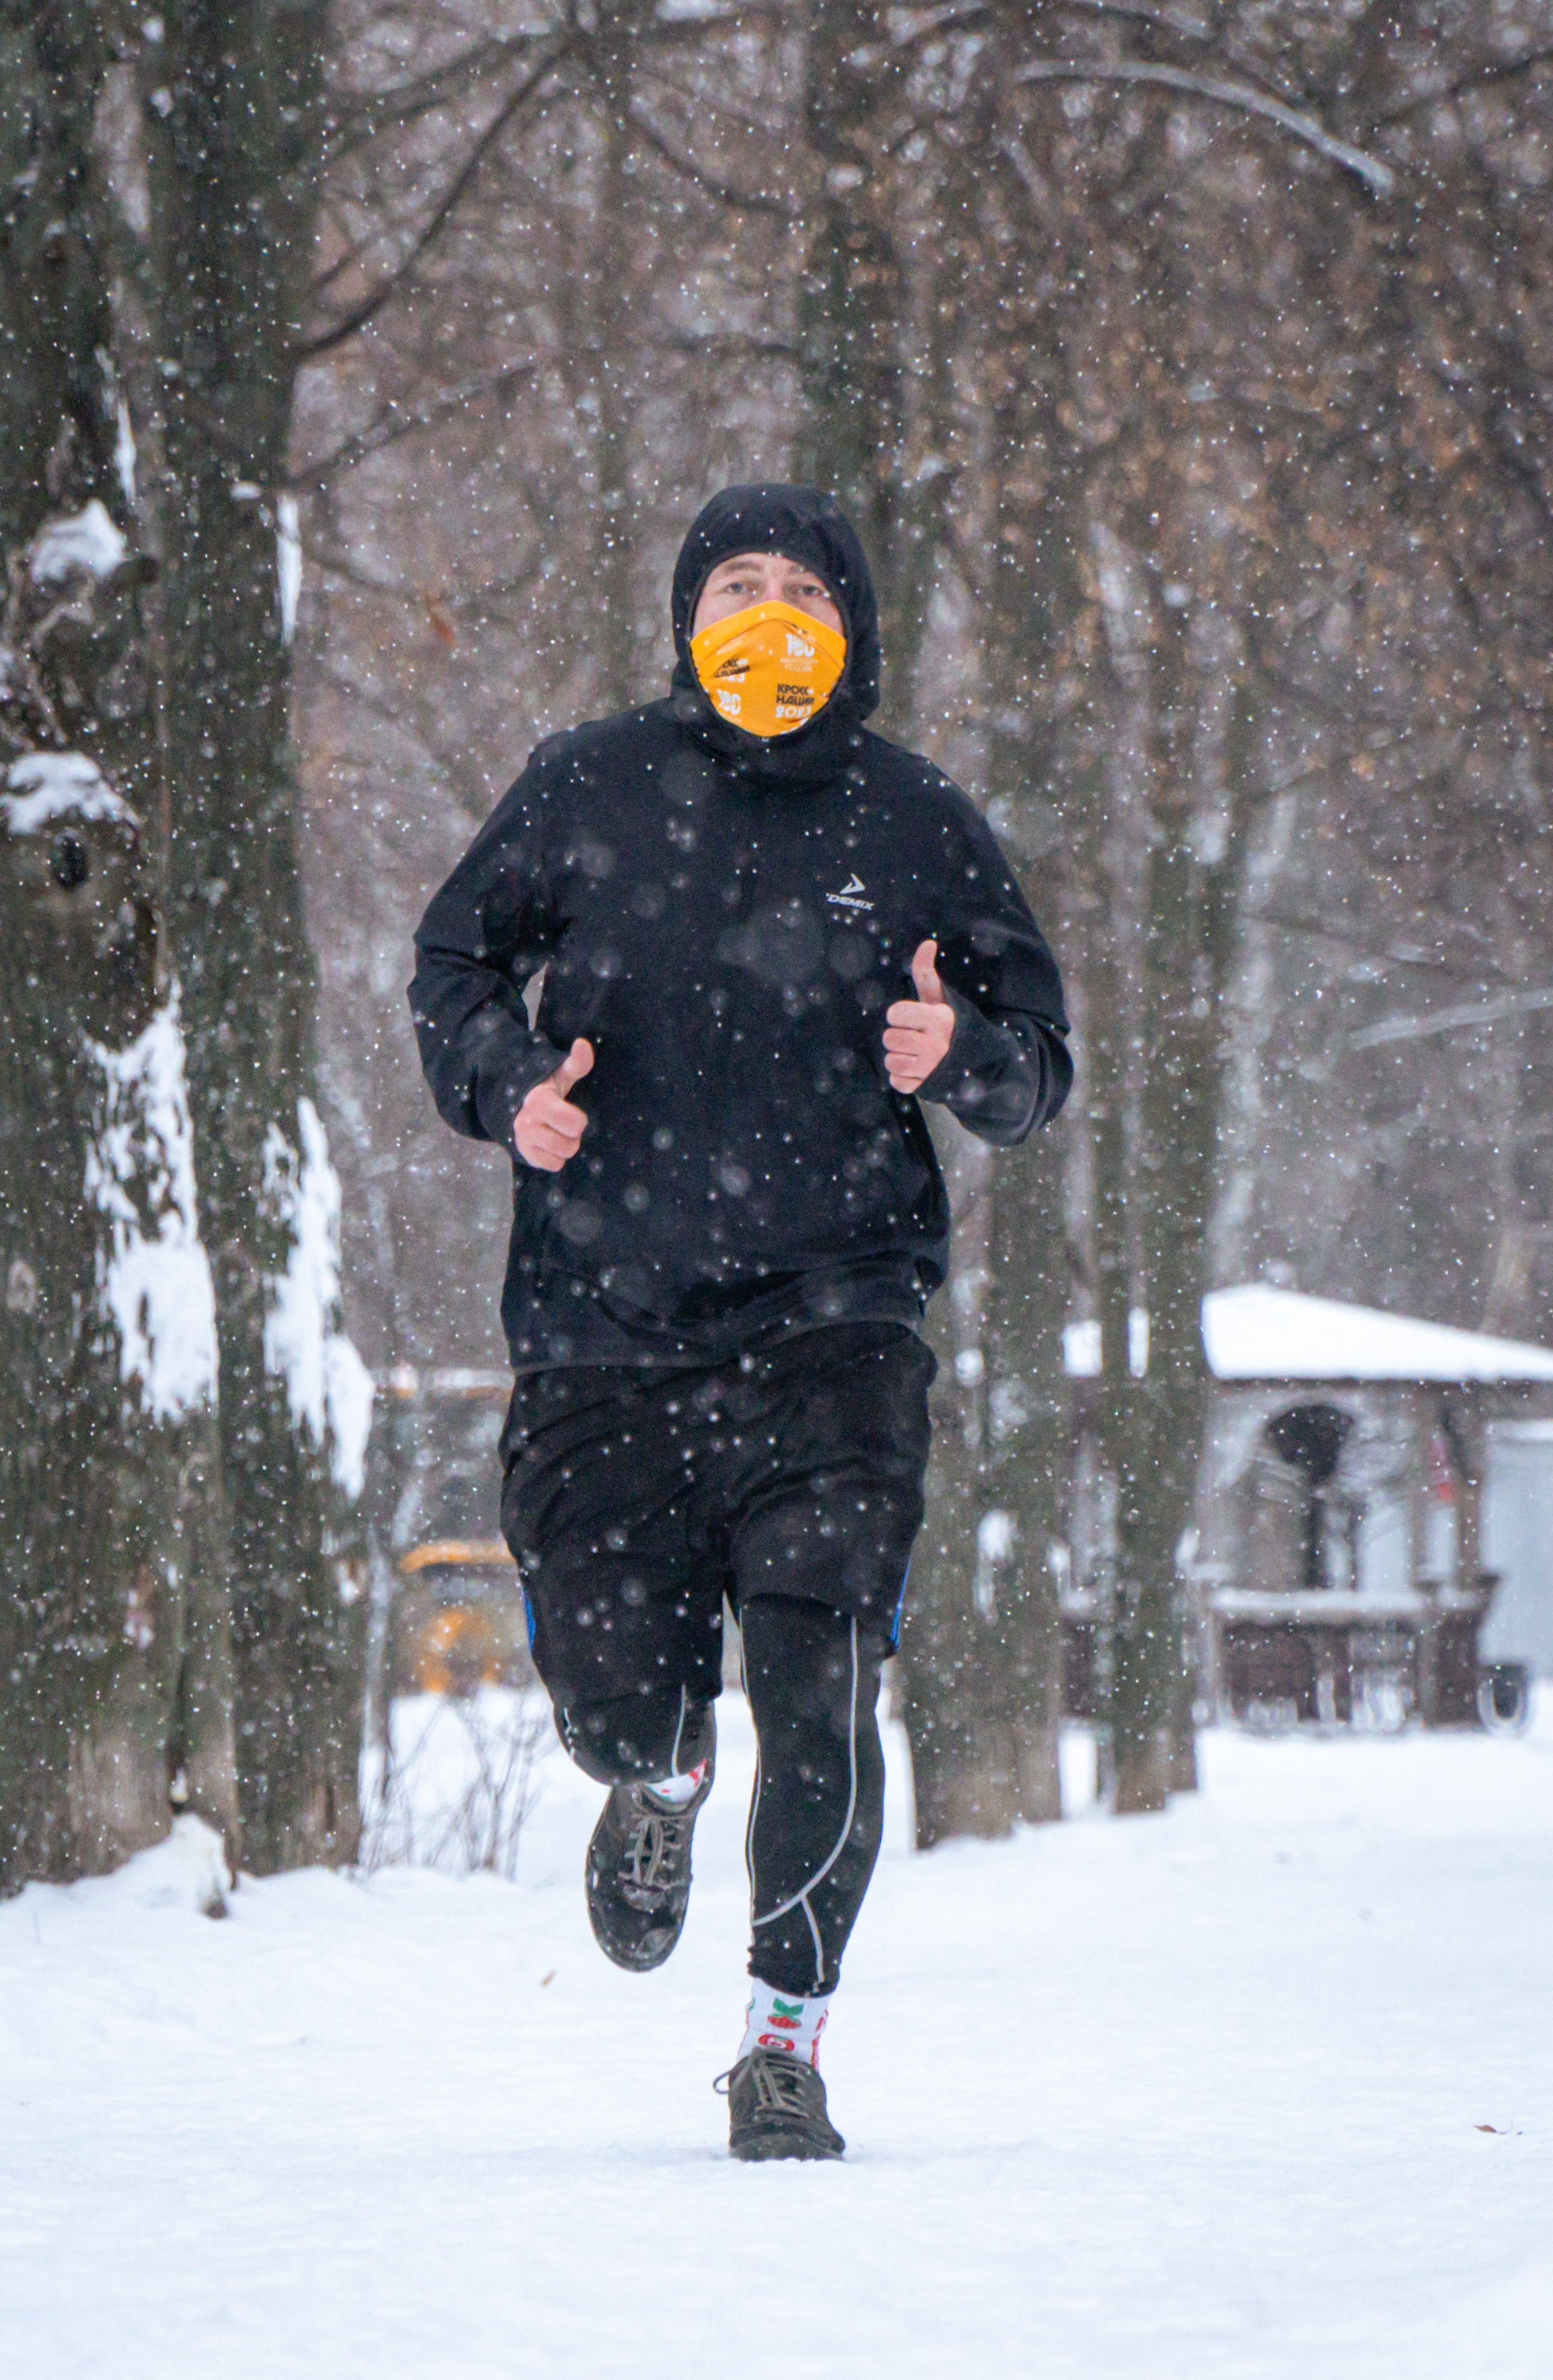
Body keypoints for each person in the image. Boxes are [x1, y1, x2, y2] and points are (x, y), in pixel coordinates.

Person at [410, 485, 1071, 2161]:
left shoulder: (914, 819)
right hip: (604, 1322)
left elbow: (1034, 1055)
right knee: (624, 1697)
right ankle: (660, 1778)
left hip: (835, 1327)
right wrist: (507, 1093)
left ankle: (787, 2035)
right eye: (737, 584)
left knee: (825, 1682)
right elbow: (453, 966)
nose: (768, 611)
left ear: (851, 627)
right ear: (691, 618)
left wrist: (960, 1056)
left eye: (802, 587)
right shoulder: (589, 782)